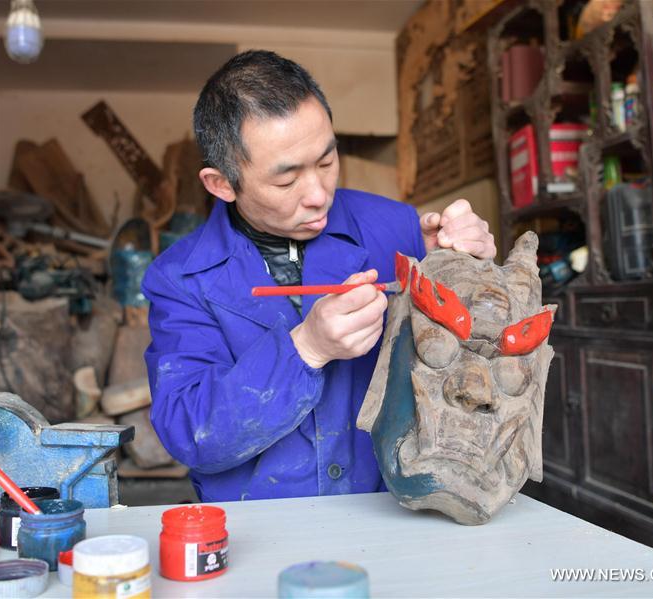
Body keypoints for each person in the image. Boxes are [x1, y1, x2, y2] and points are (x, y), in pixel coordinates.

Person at [141, 50, 495, 503]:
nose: (318, 194)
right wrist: (306, 348)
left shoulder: (396, 227)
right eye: (286, 180)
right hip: (260, 525)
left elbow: (473, 362)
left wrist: (472, 269)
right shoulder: (180, 278)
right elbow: (192, 432)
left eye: (327, 162)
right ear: (221, 184)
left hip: (393, 508)